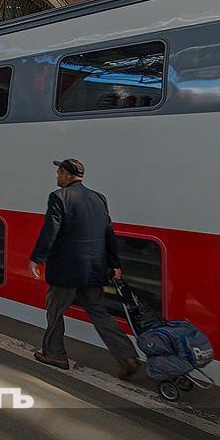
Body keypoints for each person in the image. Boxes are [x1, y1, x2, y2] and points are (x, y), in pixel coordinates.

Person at [29, 158, 140, 379]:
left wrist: (37, 258)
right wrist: (115, 264)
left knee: (55, 310)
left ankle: (54, 354)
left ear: (65, 174)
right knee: (99, 312)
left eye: (58, 173)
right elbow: (109, 233)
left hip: (66, 270)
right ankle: (127, 355)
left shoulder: (59, 197)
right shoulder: (99, 198)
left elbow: (51, 230)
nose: (57, 177)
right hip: (94, 269)